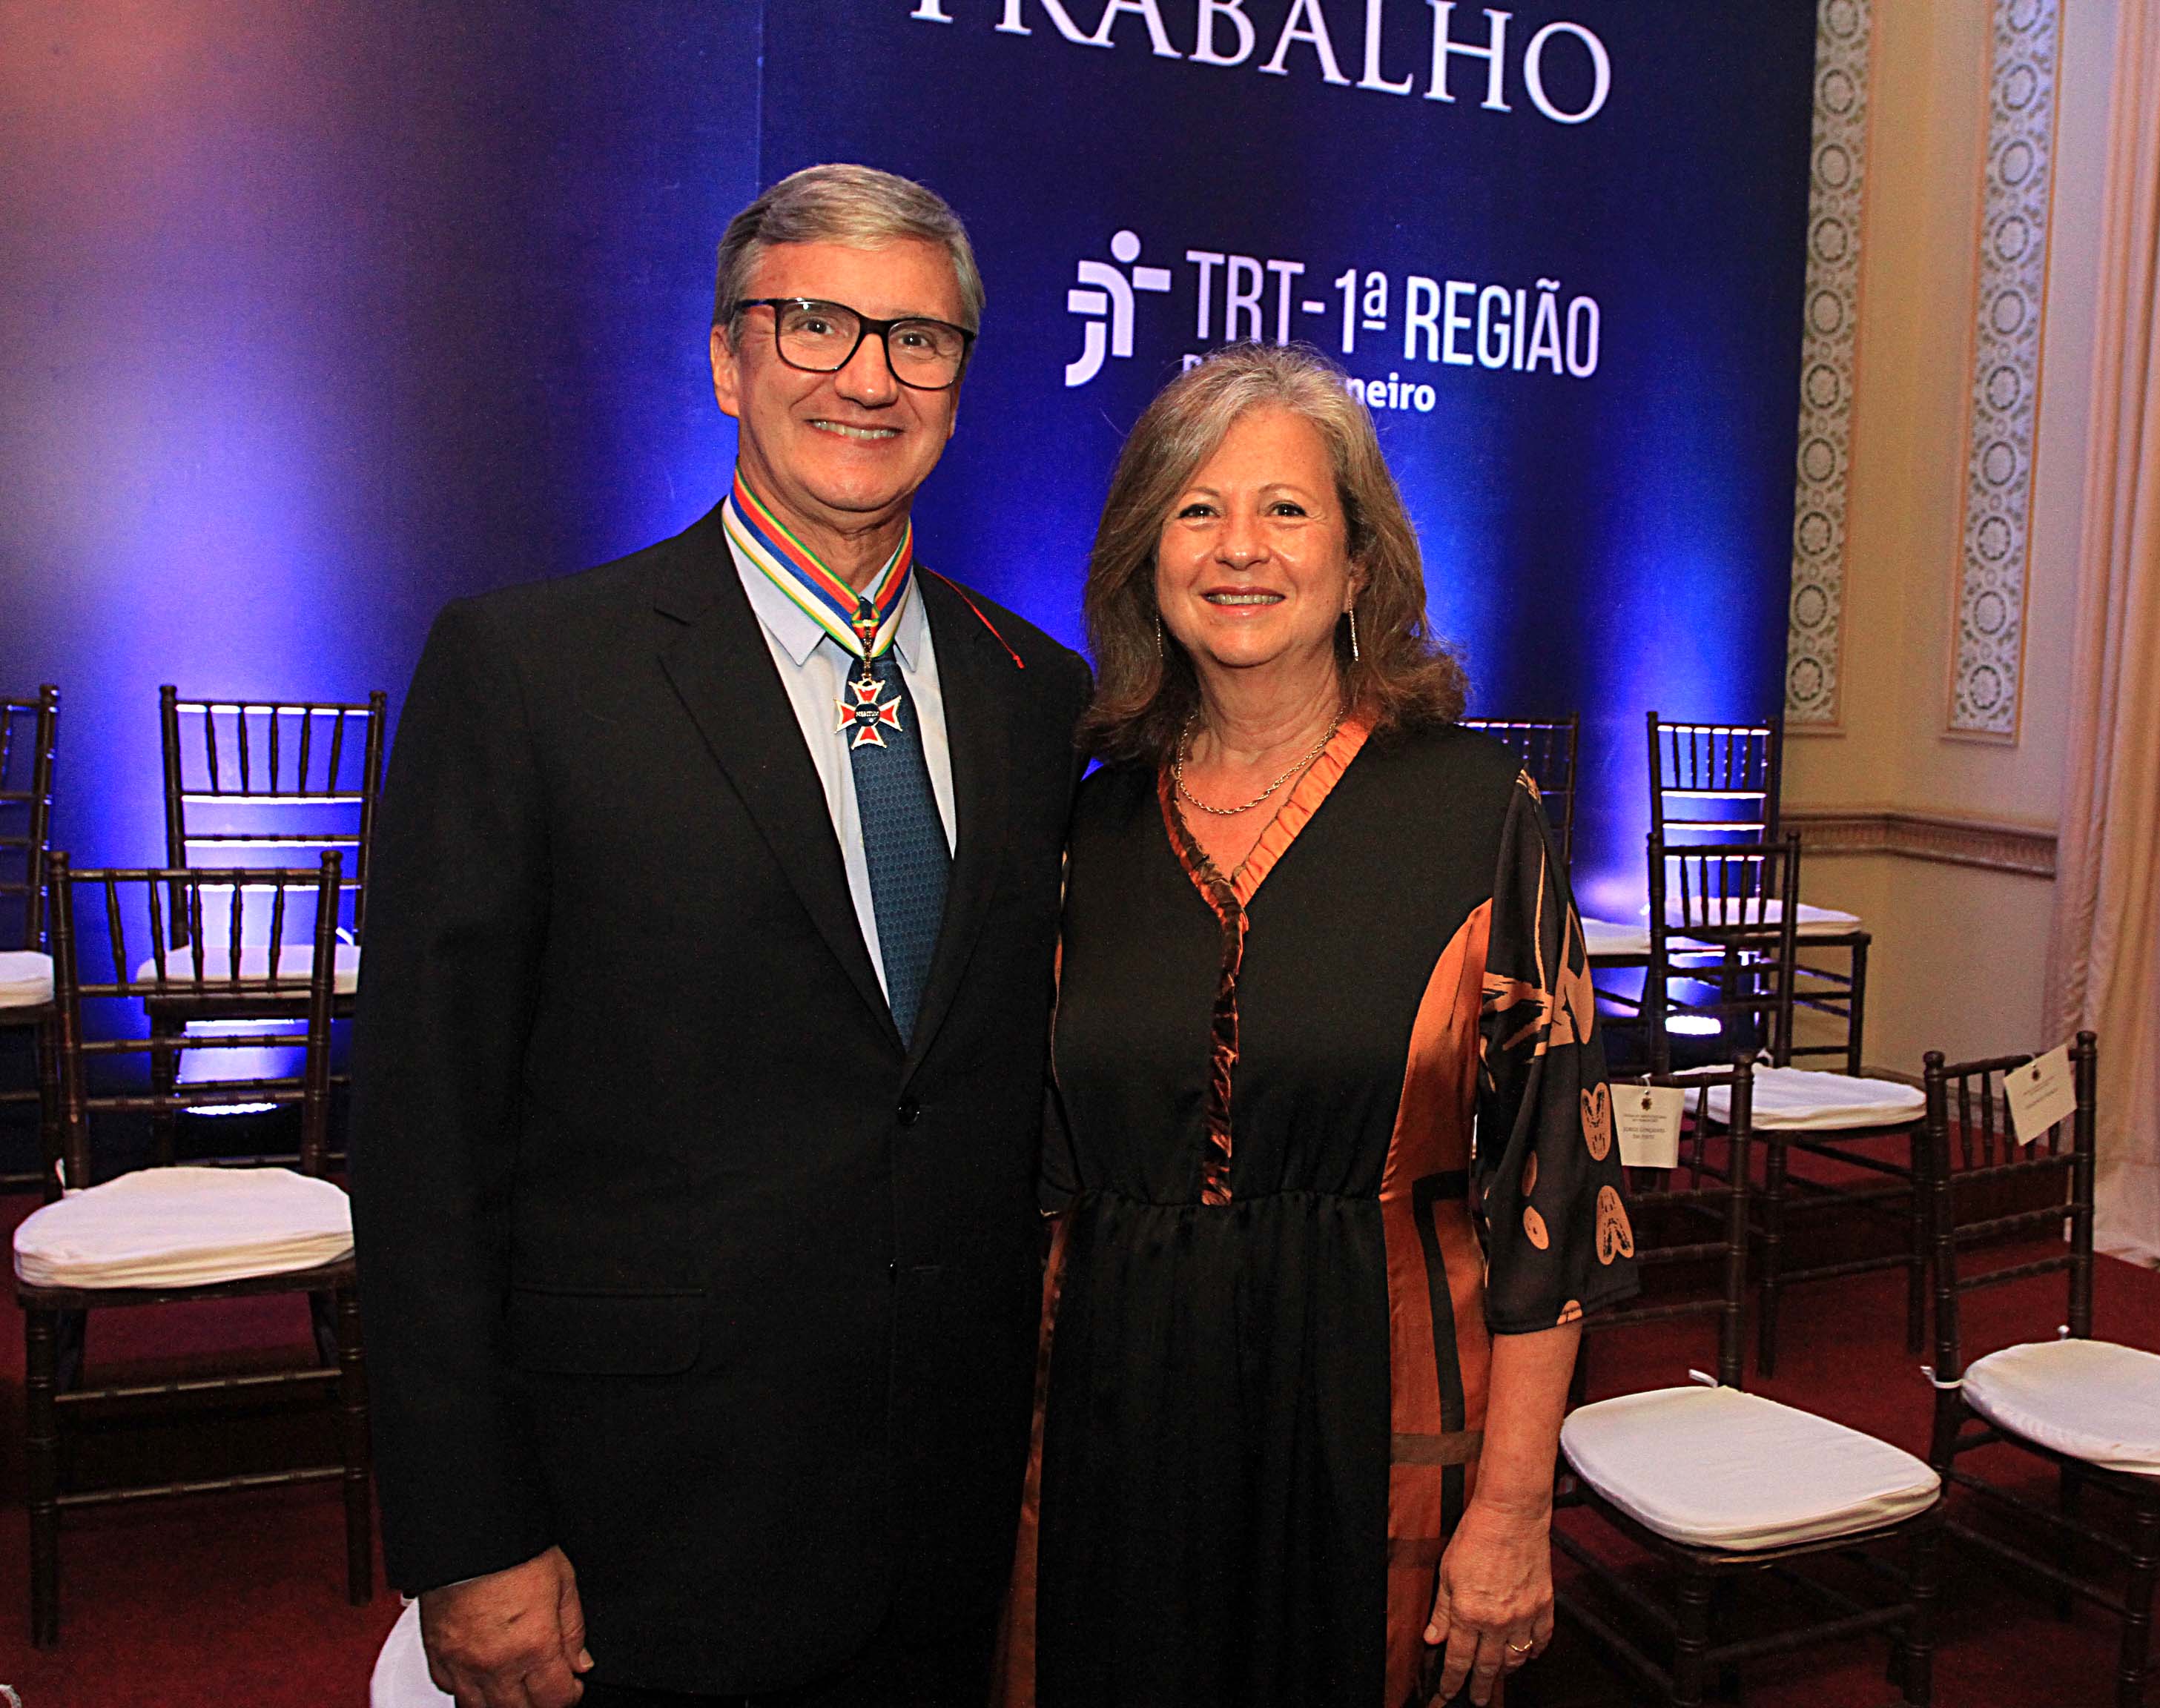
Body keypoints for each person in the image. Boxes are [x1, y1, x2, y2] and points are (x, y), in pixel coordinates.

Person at [353, 164, 1089, 1708]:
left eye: (919, 338)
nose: (867, 376)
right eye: (813, 323)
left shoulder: (1037, 691)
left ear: (962, 377)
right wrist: (467, 1535)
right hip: (647, 1529)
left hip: (949, 1516)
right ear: (725, 356)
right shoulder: (530, 673)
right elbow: (425, 1147)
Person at [1025, 344, 1636, 1708]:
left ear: (1360, 565)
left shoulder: (1477, 813)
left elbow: (1552, 1189)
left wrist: (1516, 1507)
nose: (1239, 548)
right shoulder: (1089, 822)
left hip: (1380, 1417)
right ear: (1147, 556)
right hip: (1115, 1426)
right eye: (1196, 510)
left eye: (1287, 510)